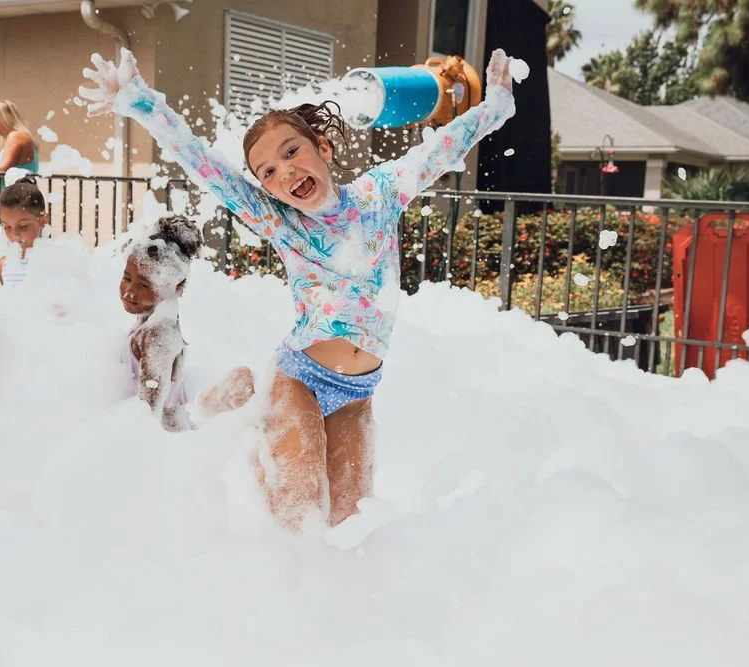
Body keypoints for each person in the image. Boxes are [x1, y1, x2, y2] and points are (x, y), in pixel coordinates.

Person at [82, 47, 517, 528]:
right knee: (299, 517)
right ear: (266, 190)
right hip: (300, 381)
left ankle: (243, 434)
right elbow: (204, 165)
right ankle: (242, 448)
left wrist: (493, 108)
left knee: (349, 527)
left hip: (358, 395)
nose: (284, 171)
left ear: (323, 150)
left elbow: (439, 151)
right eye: (267, 171)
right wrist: (142, 104)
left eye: (292, 152)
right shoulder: (281, 221)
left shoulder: (380, 193)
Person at [120, 215, 254, 432]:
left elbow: (148, 409)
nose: (129, 291)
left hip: (165, 437)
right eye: (127, 278)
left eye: (144, 285)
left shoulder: (159, 333)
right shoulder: (151, 322)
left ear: (176, 286)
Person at [0, 176, 49, 287]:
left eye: (23, 226)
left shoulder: (57, 263)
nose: (15, 234)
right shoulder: (3, 266)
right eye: (7, 227)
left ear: (43, 220)